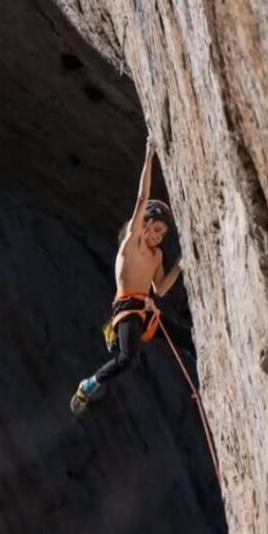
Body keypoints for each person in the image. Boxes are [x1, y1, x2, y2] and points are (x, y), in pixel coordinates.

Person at [70, 136, 177, 414]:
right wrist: (149, 155)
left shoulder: (157, 256)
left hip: (145, 310)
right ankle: (90, 384)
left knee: (183, 337)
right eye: (154, 229)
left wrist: (181, 264)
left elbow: (161, 289)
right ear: (144, 225)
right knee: (128, 358)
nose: (156, 236)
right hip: (128, 307)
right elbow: (142, 197)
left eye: (162, 234)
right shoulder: (132, 243)